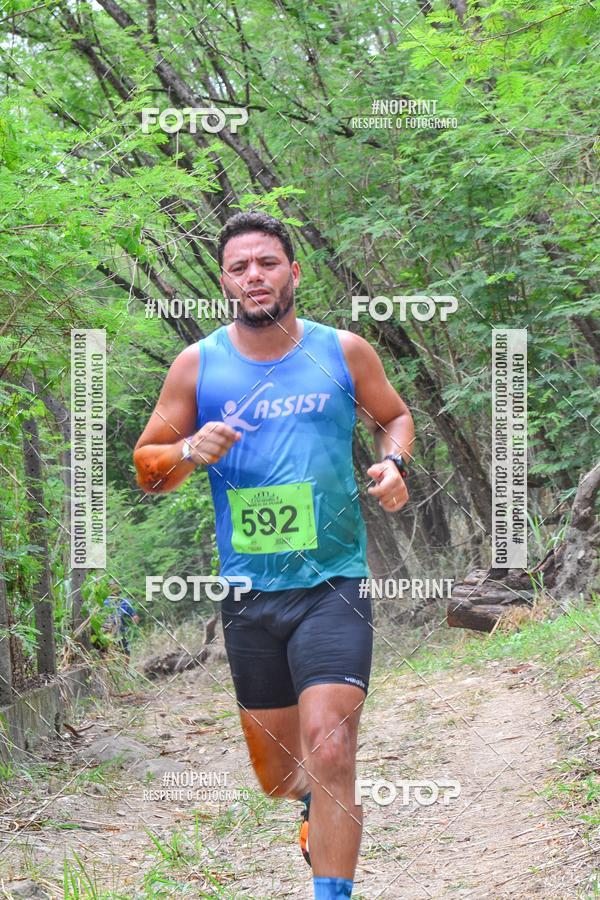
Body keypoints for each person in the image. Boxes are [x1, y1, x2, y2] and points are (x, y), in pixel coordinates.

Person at [133, 212, 414, 899]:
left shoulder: (343, 351)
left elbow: (394, 416)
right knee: (280, 773)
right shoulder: (198, 365)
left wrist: (394, 463)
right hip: (250, 593)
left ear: (294, 271)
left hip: (333, 583)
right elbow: (146, 467)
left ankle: (331, 890)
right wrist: (187, 451)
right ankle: (309, 807)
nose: (254, 276)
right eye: (238, 267)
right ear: (224, 282)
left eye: (266, 262)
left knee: (332, 746)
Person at [103, 582, 140, 657]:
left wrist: (134, 619)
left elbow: (134, 615)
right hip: (108, 630)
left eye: (115, 588)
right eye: (111, 588)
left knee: (126, 650)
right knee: (105, 650)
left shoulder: (124, 602)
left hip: (121, 631)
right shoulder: (104, 602)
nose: (114, 590)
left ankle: (126, 668)